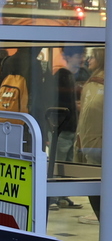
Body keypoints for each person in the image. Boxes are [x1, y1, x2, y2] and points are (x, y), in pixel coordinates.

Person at [47, 46, 85, 210]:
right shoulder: (61, 75)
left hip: (70, 127)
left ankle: (62, 195)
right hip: (61, 127)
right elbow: (56, 102)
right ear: (68, 57)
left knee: (68, 162)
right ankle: (54, 196)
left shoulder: (74, 76)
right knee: (58, 162)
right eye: (78, 56)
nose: (81, 59)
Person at [76, 48, 104, 224]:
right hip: (89, 142)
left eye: (92, 56)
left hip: (98, 142)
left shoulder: (100, 82)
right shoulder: (92, 82)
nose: (88, 60)